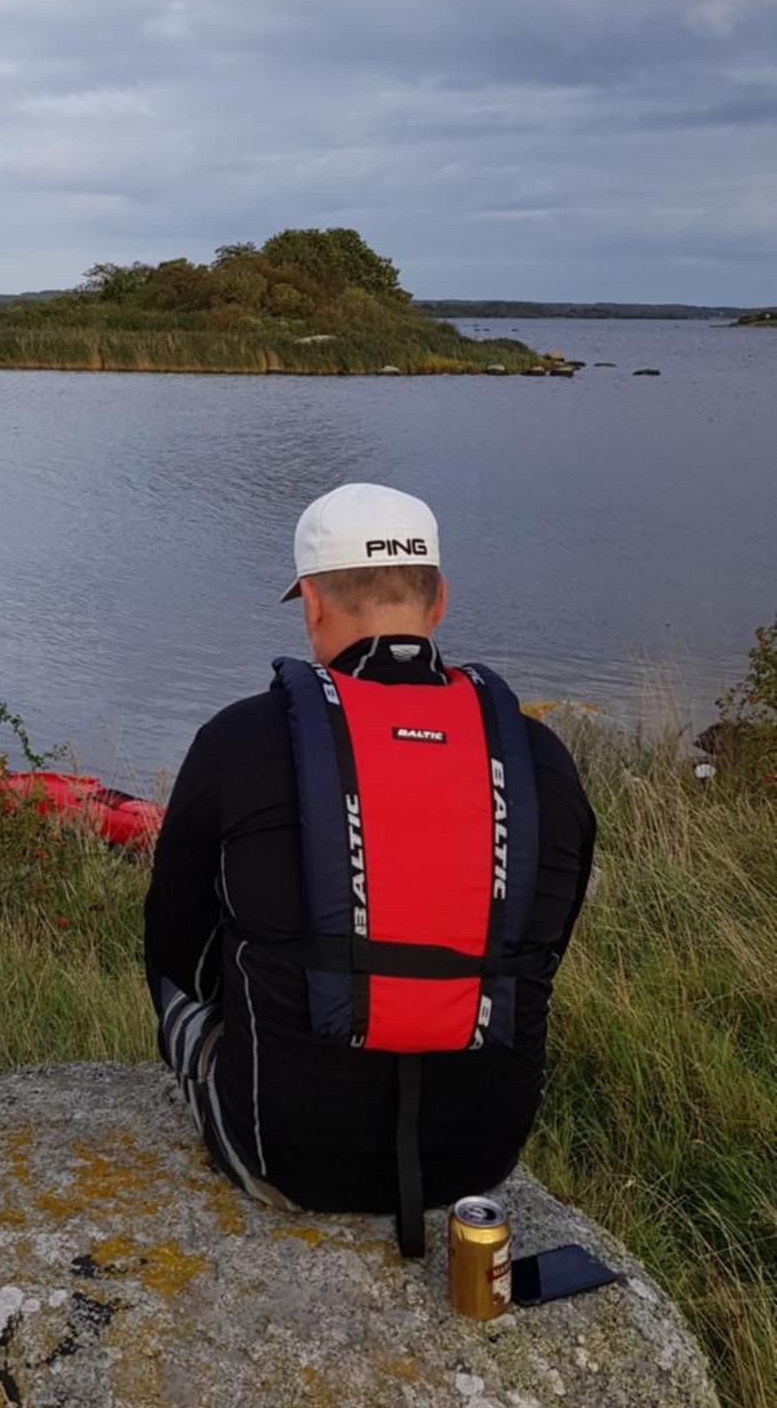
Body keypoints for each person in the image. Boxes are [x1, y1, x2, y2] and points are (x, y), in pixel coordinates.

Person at [145, 482, 596, 1252]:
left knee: (179, 990)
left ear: (314, 604)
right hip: (478, 1159)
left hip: (286, 1153)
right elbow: (545, 949)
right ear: (439, 599)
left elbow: (178, 951)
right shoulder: (541, 761)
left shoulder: (239, 742)